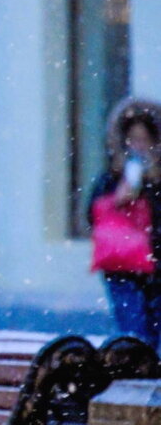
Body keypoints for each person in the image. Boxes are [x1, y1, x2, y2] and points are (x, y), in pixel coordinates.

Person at [89, 98, 161, 350]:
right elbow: (92, 216)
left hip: (156, 268)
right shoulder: (111, 178)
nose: (139, 146)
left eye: (144, 140)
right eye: (133, 140)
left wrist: (149, 189)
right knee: (133, 334)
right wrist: (117, 200)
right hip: (123, 267)